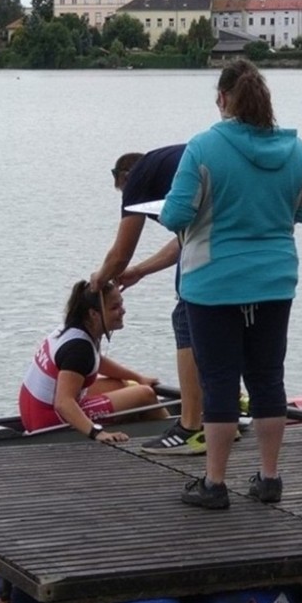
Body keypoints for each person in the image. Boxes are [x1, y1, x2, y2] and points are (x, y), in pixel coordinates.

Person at [160, 59, 302, 509]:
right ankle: (269, 478)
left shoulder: (203, 147)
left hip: (213, 284)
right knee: (268, 379)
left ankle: (214, 484)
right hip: (274, 282)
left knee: (220, 382)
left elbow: (174, 214)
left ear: (223, 99)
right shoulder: (296, 150)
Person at [89, 144, 209, 456]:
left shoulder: (140, 176)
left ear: (124, 177)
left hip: (209, 254)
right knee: (217, 327)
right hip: (235, 241)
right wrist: (140, 271)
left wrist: (98, 281)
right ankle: (223, 413)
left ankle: (191, 427)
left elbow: (120, 254)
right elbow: (185, 240)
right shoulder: (175, 167)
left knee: (186, 321)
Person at [18, 280, 167, 441]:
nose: (123, 311)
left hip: (32, 410)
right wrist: (97, 433)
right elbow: (63, 403)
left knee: (120, 384)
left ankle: (138, 423)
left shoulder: (74, 329)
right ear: (94, 314)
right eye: (115, 307)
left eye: (121, 304)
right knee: (145, 395)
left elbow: (97, 361)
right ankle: (171, 433)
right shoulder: (79, 349)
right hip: (48, 421)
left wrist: (138, 377)